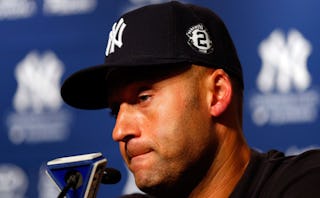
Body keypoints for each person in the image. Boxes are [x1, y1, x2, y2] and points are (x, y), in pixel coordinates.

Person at [60, 1, 320, 197]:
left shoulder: (307, 184)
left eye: (143, 97)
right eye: (116, 110)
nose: (119, 131)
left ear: (216, 94)